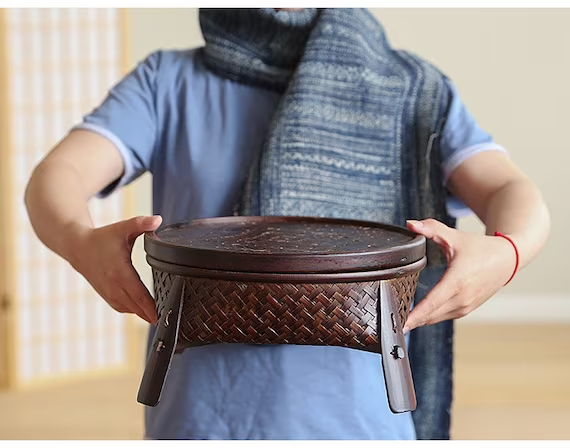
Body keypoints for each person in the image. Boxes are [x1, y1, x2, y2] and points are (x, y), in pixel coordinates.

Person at [24, 8, 550, 440]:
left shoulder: (416, 92)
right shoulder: (168, 81)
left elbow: (510, 190)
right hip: (201, 419)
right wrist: (77, 240)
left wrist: (506, 251)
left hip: (365, 417)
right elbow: (59, 175)